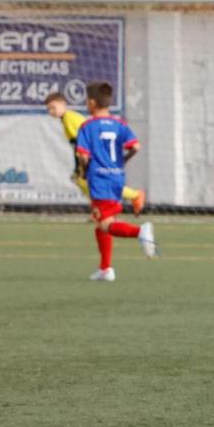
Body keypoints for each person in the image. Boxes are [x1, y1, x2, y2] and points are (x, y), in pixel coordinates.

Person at [73, 82, 155, 281]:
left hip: (99, 179)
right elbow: (135, 146)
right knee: (102, 221)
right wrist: (121, 162)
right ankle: (105, 268)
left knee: (105, 224)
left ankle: (140, 232)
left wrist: (83, 171)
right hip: (116, 177)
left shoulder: (87, 126)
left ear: (92, 103)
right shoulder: (120, 125)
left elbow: (83, 156)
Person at [46, 90, 87, 193]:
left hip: (91, 154)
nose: (51, 111)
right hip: (91, 153)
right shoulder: (68, 117)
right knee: (83, 181)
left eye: (53, 107)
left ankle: (133, 195)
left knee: (83, 181)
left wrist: (79, 166)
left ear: (63, 103)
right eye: (49, 109)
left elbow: (80, 142)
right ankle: (97, 207)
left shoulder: (69, 118)